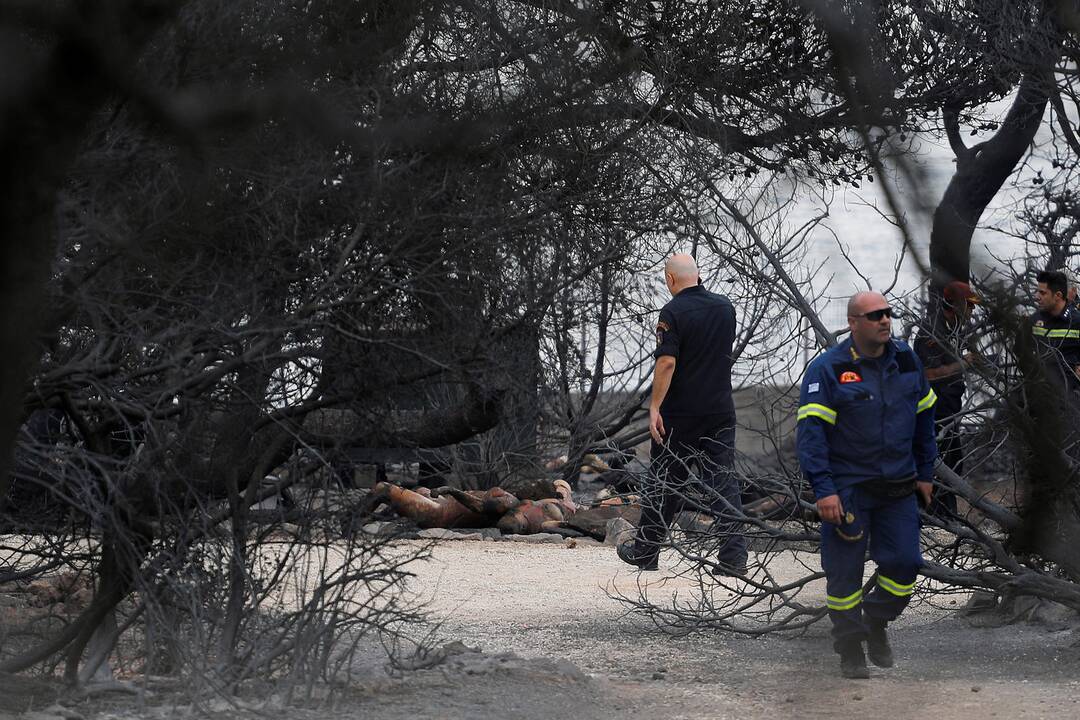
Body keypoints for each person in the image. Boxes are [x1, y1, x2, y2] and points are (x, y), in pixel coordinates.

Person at [796, 291, 937, 679]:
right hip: (848, 489)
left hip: (898, 488)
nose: (885, 320)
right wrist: (823, 489)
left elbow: (925, 420)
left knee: (906, 564)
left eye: (888, 314)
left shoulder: (907, 360)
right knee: (844, 577)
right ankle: (851, 649)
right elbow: (811, 437)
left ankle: (875, 620)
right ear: (854, 322)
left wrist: (925, 473)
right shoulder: (828, 369)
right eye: (875, 315)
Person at [616, 253, 746, 575]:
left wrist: (655, 406)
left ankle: (645, 552)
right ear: (697, 275)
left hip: (681, 416)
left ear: (670, 280)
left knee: (664, 483)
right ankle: (733, 558)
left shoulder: (672, 312)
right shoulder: (725, 307)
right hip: (719, 410)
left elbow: (667, 362)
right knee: (722, 483)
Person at [913, 281, 980, 517]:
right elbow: (928, 373)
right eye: (968, 306)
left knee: (954, 462)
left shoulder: (958, 329)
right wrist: (963, 364)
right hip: (934, 410)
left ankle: (945, 511)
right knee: (937, 462)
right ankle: (932, 513)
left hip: (952, 408)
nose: (972, 312)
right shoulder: (931, 330)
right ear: (955, 305)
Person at [1031, 269, 1080, 389]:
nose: (1037, 297)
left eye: (1042, 293)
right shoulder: (1034, 320)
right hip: (1035, 391)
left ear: (1058, 295)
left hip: (1070, 396)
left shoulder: (1077, 321)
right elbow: (1020, 350)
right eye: (1037, 292)